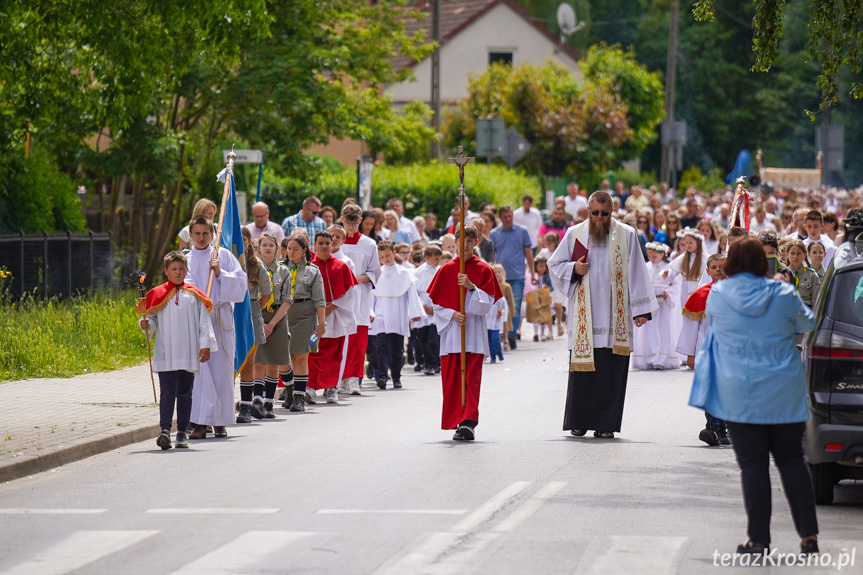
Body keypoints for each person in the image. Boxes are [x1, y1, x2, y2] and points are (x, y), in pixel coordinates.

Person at [688, 237, 819, 557]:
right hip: (783, 391)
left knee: (753, 466)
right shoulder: (784, 292)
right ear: (764, 263)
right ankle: (809, 537)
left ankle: (759, 540)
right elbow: (809, 323)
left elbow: (716, 326)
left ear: (730, 263)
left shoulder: (718, 293)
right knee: (791, 461)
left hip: (740, 392)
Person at [547, 191, 658, 439]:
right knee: (583, 373)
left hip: (614, 317)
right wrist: (573, 268)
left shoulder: (627, 235)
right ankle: (579, 421)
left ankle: (606, 423)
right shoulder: (575, 233)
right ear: (588, 210)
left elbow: (638, 272)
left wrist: (641, 310)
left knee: (610, 372)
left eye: (604, 213)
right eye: (595, 212)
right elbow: (554, 266)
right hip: (585, 316)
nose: (599, 217)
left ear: (612, 212)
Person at [427, 223, 502, 440]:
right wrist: (452, 314)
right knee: (452, 379)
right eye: (462, 241)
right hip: (452, 334)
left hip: (474, 335)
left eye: (470, 241)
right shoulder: (446, 269)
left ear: (475, 242)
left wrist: (471, 287)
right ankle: (456, 419)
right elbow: (436, 304)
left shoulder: (484, 269)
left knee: (471, 378)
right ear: (456, 242)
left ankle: (468, 422)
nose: (466, 245)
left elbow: (488, 304)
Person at [137, 251, 217, 450]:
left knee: (184, 393)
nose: (178, 272)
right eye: (174, 269)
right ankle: (164, 430)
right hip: (166, 352)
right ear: (166, 271)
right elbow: (151, 318)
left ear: (186, 270)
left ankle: (181, 432)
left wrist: (205, 344)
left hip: (188, 352)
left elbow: (203, 322)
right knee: (167, 392)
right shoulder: (157, 294)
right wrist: (145, 324)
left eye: (182, 269)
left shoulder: (194, 295)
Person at [184, 215, 248, 439]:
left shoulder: (224, 256)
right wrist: (202, 302)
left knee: (221, 372)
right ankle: (201, 423)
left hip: (220, 319)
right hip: (199, 318)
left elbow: (241, 284)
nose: (201, 238)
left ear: (212, 234)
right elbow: (186, 286)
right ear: (190, 235)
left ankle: (220, 421)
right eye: (197, 234)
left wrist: (221, 273)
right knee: (201, 373)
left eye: (205, 234)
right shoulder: (187, 260)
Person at [676, 253, 728, 446]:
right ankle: (713, 426)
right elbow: (691, 329)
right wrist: (691, 354)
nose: (718, 270)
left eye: (722, 266)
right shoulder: (699, 296)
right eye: (714, 267)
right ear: (707, 271)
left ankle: (722, 428)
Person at [306, 230, 357, 404]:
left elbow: (350, 292)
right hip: (312, 318)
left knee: (334, 355)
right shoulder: (308, 266)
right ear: (314, 245)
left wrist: (328, 308)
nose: (324, 246)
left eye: (327, 243)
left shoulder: (341, 266)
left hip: (335, 317)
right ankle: (310, 388)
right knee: (312, 353)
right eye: (321, 243)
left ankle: (331, 388)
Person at [338, 205, 382, 395]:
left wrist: (354, 280)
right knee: (338, 337)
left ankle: (353, 379)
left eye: (355, 222)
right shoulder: (335, 240)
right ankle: (338, 379)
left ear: (360, 222)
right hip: (338, 294)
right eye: (347, 222)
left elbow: (375, 272)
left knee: (358, 340)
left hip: (359, 294)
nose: (351, 226)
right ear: (342, 219)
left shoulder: (369, 244)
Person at [369, 241, 423, 389]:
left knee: (397, 349)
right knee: (381, 347)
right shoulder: (378, 273)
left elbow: (411, 294)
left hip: (398, 315)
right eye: (382, 257)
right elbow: (372, 296)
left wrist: (415, 313)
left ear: (394, 253)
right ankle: (381, 376)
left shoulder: (404, 273)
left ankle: (396, 377)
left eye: (387, 255)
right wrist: (370, 312)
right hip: (381, 315)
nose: (385, 259)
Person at [282, 234, 326, 412]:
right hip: (283, 315)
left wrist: (321, 323)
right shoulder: (280, 269)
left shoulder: (312, 271)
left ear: (304, 250)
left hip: (304, 315)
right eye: (289, 249)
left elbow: (319, 300)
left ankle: (299, 397)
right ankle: (290, 386)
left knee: (300, 356)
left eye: (296, 249)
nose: (291, 253)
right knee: (281, 357)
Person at [252, 232, 293, 419]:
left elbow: (286, 300)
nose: (268, 248)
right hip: (258, 315)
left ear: (277, 248)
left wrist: (271, 324)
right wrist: (261, 322)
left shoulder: (283, 271)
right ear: (258, 248)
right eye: (264, 245)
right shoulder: (253, 268)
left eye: (271, 245)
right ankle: (257, 400)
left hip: (277, 316)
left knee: (273, 361)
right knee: (258, 360)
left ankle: (269, 402)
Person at [236, 227, 272, 424]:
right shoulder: (224, 261)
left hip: (250, 309)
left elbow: (266, 292)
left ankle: (245, 406)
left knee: (249, 362)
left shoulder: (256, 265)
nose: (240, 242)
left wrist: (255, 308)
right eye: (236, 239)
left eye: (243, 239)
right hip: (230, 312)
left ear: (249, 242)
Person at [489, 205, 537, 350]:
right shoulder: (494, 233)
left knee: (514, 305)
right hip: (500, 277)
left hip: (517, 275)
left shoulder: (522, 231)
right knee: (500, 306)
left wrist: (533, 273)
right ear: (500, 218)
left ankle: (511, 333)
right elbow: (492, 254)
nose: (509, 219)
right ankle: (503, 334)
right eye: (505, 217)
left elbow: (528, 253)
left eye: (510, 216)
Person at [631, 242, 680, 371]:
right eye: (649, 256)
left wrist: (667, 293)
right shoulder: (645, 267)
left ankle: (662, 359)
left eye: (654, 256)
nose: (651, 259)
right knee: (649, 331)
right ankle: (649, 358)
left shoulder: (669, 268)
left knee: (663, 330)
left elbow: (676, 285)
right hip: (649, 304)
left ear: (662, 254)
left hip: (663, 306)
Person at [413, 244, 442, 375]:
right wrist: (423, 307)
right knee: (422, 339)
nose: (438, 262)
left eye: (439, 258)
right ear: (427, 257)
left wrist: (434, 308)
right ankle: (427, 362)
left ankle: (433, 364)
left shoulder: (441, 271)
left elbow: (444, 292)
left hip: (436, 311)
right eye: (435, 259)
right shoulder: (418, 272)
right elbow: (415, 292)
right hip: (423, 311)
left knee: (433, 340)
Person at [785, 239, 822, 308]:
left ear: (805, 255)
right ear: (787, 254)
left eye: (799, 254)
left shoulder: (812, 275)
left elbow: (816, 300)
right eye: (792, 253)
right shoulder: (782, 274)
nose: (795, 256)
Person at [531, 258, 554, 341]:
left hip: (544, 299)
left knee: (543, 317)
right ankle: (536, 333)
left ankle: (542, 333)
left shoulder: (547, 278)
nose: (541, 268)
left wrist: (547, 288)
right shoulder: (534, 277)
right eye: (540, 266)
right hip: (536, 298)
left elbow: (551, 288)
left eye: (543, 266)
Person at [486, 288, 507, 364]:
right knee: (489, 341)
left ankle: (499, 351)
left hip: (496, 322)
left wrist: (500, 312)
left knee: (495, 339)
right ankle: (493, 356)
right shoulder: (486, 296)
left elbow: (503, 307)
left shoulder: (499, 297)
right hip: (487, 322)